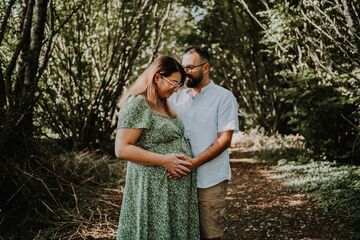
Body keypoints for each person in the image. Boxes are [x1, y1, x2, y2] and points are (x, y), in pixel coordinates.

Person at [114, 55, 200, 240]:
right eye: (174, 83)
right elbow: (121, 149)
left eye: (179, 85)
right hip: (153, 191)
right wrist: (164, 160)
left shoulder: (162, 103)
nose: (176, 90)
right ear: (157, 77)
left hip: (173, 192)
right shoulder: (137, 103)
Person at [168, 47, 239, 240]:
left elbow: (224, 140)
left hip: (210, 179)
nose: (185, 72)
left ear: (205, 67)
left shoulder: (224, 97)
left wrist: (192, 164)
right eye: (183, 67)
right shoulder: (175, 97)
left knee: (211, 234)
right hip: (178, 179)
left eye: (190, 67)